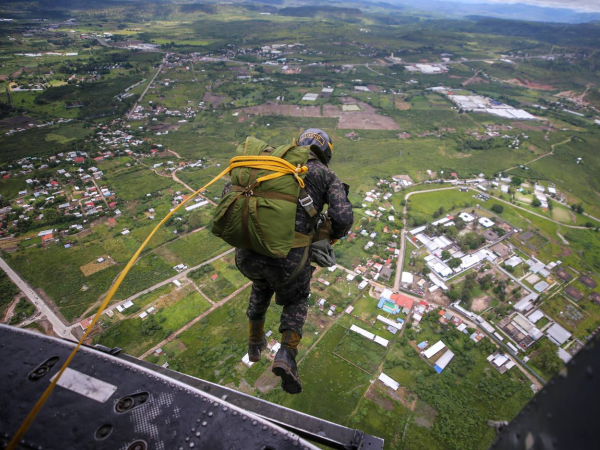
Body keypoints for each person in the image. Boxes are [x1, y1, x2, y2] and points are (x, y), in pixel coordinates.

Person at [233, 128, 353, 394]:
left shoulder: (271, 164)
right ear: (326, 153)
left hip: (246, 254)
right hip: (289, 263)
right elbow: (343, 218)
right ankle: (286, 354)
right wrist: (327, 237)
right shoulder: (325, 174)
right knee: (296, 296)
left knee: (261, 283)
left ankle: (255, 343)